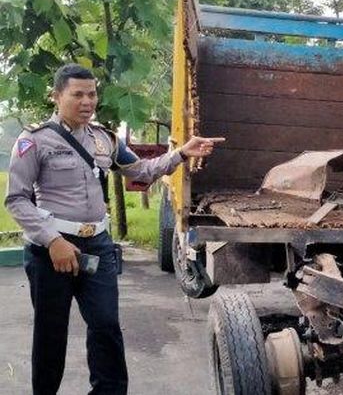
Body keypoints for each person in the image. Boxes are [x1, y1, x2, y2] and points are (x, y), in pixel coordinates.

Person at [4, 64, 224, 395]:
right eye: (77, 94)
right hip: (52, 252)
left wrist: (180, 154)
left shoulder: (104, 139)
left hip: (98, 247)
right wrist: (52, 240)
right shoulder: (34, 141)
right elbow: (17, 200)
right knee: (51, 334)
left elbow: (143, 170)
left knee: (106, 327)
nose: (86, 101)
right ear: (56, 96)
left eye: (91, 93)